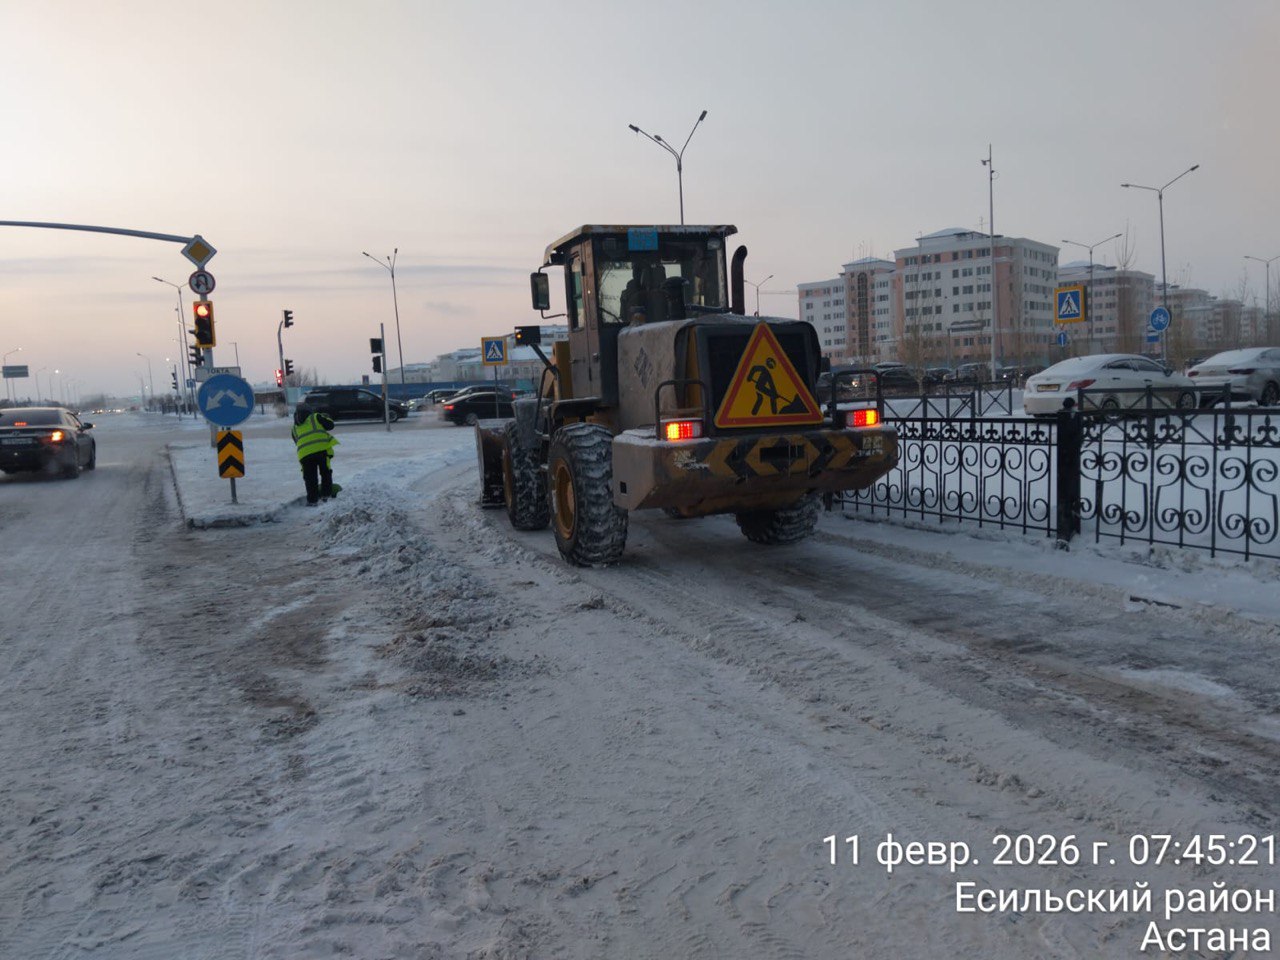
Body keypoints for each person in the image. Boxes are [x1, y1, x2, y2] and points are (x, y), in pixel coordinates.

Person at [291, 408, 338, 506]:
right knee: (325, 473)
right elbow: (330, 426)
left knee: (310, 478)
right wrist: (327, 417)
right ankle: (326, 495)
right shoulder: (315, 417)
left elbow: (296, 441)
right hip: (321, 450)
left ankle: (312, 501)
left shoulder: (294, 428)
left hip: (304, 454)